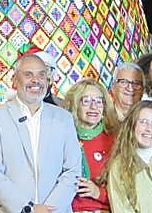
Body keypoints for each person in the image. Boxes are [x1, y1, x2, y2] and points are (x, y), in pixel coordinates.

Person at [0, 53, 80, 213]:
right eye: (28, 74)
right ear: (15, 80)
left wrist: (49, 210)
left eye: (41, 75)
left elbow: (72, 170)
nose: (36, 80)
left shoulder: (64, 118)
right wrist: (29, 209)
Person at [61, 78, 117, 212]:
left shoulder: (115, 141)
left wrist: (98, 192)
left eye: (99, 101)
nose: (94, 107)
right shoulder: (62, 137)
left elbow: (127, 192)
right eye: (86, 101)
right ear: (75, 105)